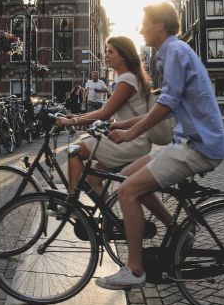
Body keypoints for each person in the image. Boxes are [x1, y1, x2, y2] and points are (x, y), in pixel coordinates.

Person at [101, 1, 224, 290]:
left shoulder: (173, 51)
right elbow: (167, 102)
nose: (141, 29)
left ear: (159, 25)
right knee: (128, 175)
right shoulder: (170, 52)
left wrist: (132, 134)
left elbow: (167, 104)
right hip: (189, 141)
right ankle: (179, 230)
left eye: (145, 23)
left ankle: (134, 270)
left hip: (199, 146)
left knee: (127, 190)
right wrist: (123, 125)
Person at [56, 37, 152, 195]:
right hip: (135, 139)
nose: (106, 55)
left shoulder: (127, 79)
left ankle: (71, 202)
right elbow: (107, 111)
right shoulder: (131, 77)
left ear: (123, 55)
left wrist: (70, 121)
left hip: (129, 140)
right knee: (93, 182)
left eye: (111, 52)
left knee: (74, 150)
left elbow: (104, 113)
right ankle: (109, 220)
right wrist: (79, 115)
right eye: (106, 51)